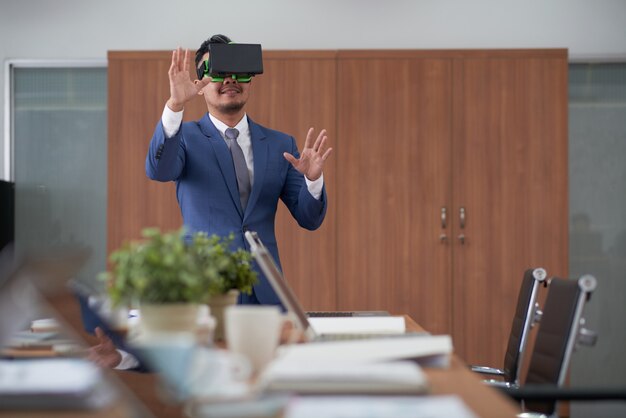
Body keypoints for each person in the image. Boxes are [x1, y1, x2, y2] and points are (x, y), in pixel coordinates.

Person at [146, 34, 332, 306]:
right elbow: (159, 170)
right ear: (201, 85)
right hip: (205, 287)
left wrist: (313, 181)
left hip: (265, 289)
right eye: (220, 72)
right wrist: (175, 106)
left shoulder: (281, 144)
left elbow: (309, 218)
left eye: (239, 71)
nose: (230, 79)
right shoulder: (184, 136)